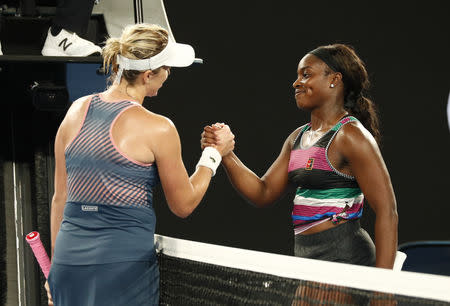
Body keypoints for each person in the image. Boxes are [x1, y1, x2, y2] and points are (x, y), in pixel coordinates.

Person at [45, 23, 234, 306]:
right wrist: (213, 155)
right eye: (166, 68)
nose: (169, 75)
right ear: (148, 76)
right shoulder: (159, 128)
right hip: (122, 270)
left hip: (67, 265)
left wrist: (53, 272)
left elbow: (61, 198)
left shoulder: (76, 111)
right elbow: (183, 204)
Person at [202, 44, 398, 269]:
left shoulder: (351, 136)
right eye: (297, 76)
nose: (296, 83)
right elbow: (263, 192)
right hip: (307, 259)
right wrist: (226, 154)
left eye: (306, 75)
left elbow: (387, 211)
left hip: (346, 259)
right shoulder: (297, 138)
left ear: (334, 79)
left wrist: (383, 289)